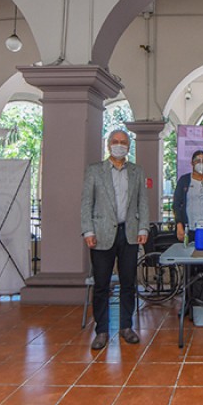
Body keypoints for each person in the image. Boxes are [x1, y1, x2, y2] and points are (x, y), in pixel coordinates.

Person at [81, 130, 149, 350]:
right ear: (109, 145)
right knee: (101, 285)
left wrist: (144, 228)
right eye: (116, 142)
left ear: (129, 146)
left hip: (128, 233)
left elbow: (143, 203)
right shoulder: (95, 171)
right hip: (101, 234)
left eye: (124, 142)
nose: (120, 145)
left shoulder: (136, 172)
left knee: (128, 283)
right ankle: (101, 331)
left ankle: (126, 327)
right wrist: (88, 231)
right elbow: (86, 203)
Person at [173, 150, 203, 243]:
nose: (201, 164)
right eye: (198, 161)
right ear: (192, 163)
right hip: (188, 228)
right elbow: (176, 204)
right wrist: (179, 225)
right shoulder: (184, 180)